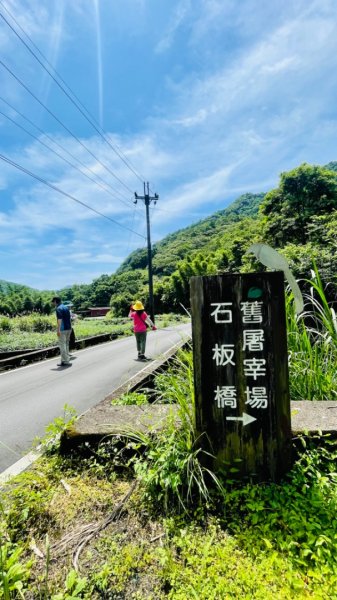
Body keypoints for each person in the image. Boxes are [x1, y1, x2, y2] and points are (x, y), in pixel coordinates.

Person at [51, 296, 72, 366]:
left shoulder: (58, 309)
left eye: (53, 302)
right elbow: (69, 318)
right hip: (69, 328)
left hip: (63, 329)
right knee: (66, 344)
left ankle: (65, 361)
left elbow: (59, 320)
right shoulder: (66, 307)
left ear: (56, 301)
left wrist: (58, 329)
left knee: (62, 345)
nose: (53, 303)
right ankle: (65, 359)